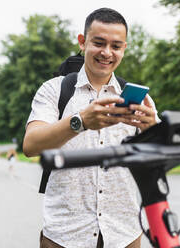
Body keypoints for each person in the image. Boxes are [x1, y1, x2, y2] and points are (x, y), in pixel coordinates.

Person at [23, 8, 158, 248]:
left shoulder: (139, 99)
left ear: (124, 48)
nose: (107, 53)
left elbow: (156, 160)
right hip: (64, 236)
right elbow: (31, 145)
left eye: (116, 46)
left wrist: (153, 130)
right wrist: (80, 122)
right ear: (82, 42)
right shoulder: (54, 90)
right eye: (99, 43)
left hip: (124, 234)